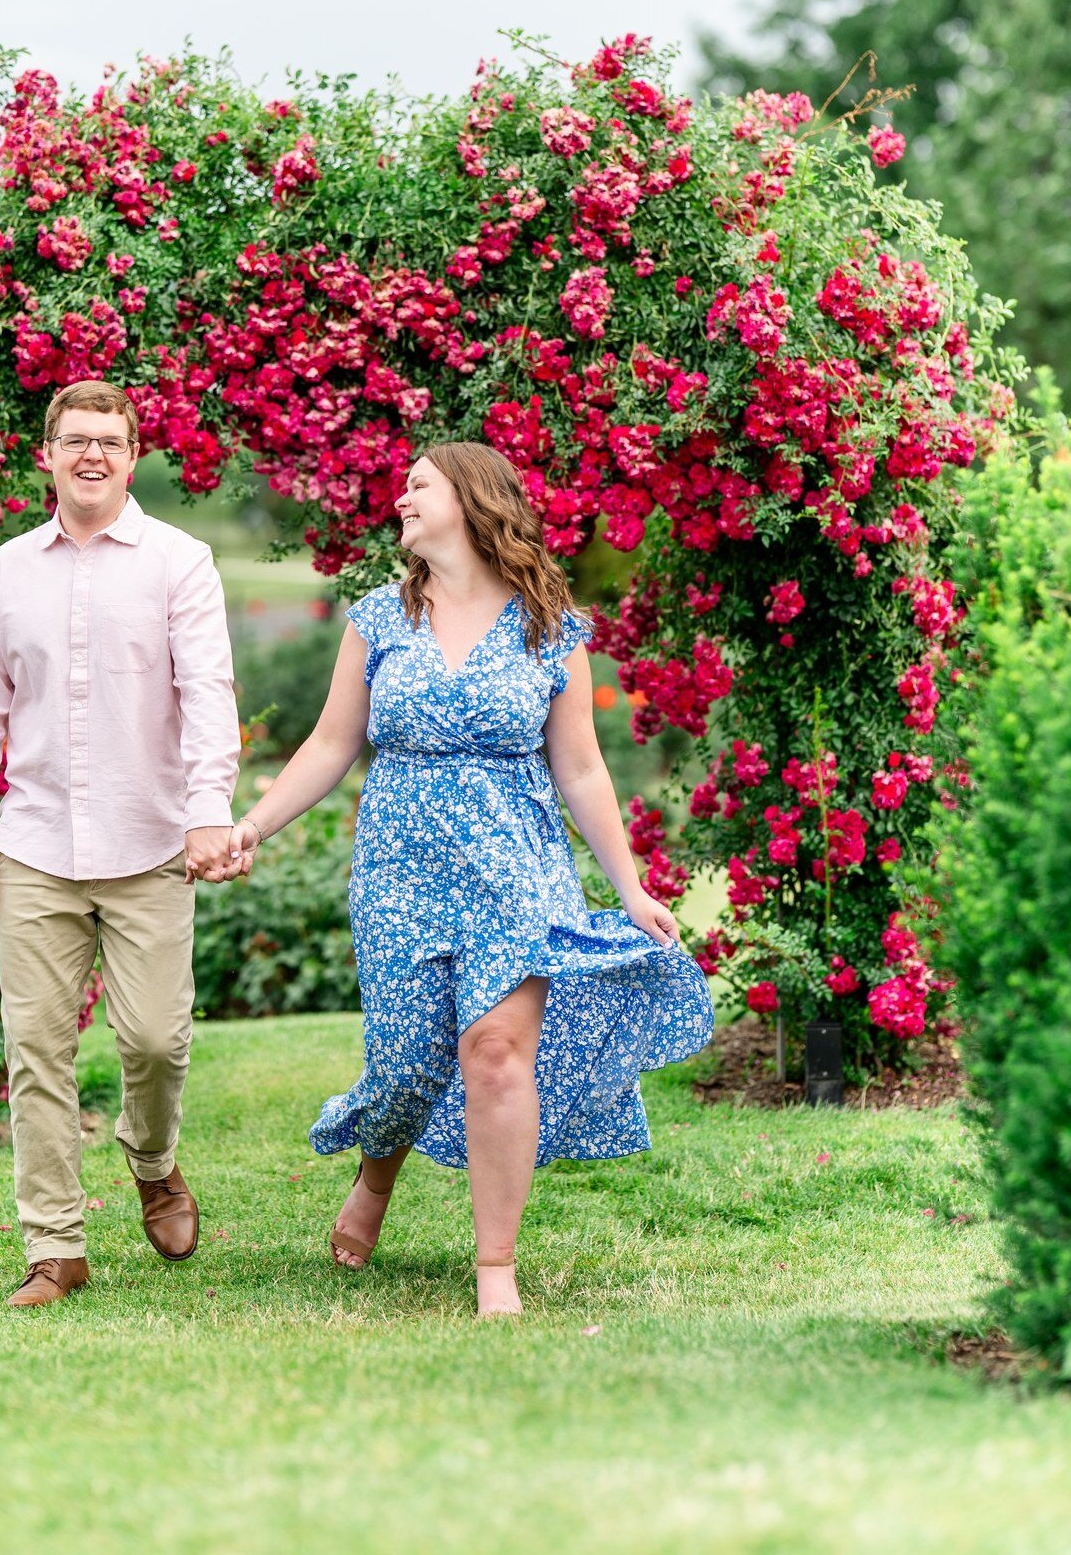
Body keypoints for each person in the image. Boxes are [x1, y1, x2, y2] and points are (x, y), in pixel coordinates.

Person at [222, 441, 713, 1317]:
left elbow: (584, 771)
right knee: (407, 1064)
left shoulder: (548, 624)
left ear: (471, 499)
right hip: (400, 868)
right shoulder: (379, 617)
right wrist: (253, 823)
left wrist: (631, 886)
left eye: (417, 486)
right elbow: (334, 743)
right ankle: (376, 1181)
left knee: (493, 1055)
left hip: (517, 866)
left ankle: (495, 1267)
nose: (399, 499)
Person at [0, 379, 240, 1308]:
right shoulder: (5, 572)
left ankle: (151, 1160)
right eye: (75, 441)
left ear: (133, 453)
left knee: (155, 1038)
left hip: (151, 842)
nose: (92, 456)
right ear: (47, 455)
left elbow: (208, 697)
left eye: (109, 441)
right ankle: (56, 1248)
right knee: (35, 1045)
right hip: (33, 845)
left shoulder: (179, 563)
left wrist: (207, 808)